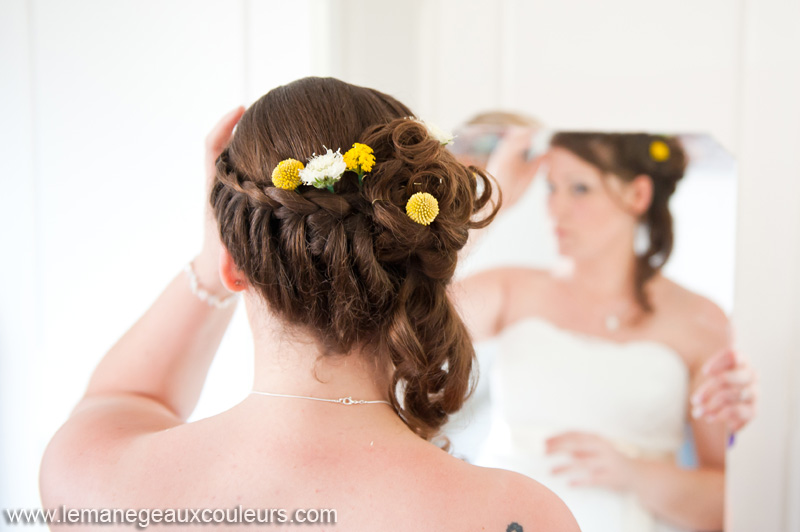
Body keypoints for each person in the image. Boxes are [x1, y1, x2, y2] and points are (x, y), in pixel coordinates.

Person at [38, 77, 581, 532]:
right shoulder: (518, 517)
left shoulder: (98, 481)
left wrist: (212, 255)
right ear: (424, 253)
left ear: (236, 265)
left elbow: (123, 395)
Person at [448, 128, 758, 532]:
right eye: (551, 187)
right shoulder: (511, 290)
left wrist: (633, 474)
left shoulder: (701, 321)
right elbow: (404, 314)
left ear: (638, 195)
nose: (555, 209)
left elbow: (727, 504)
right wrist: (490, 206)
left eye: (579, 189)